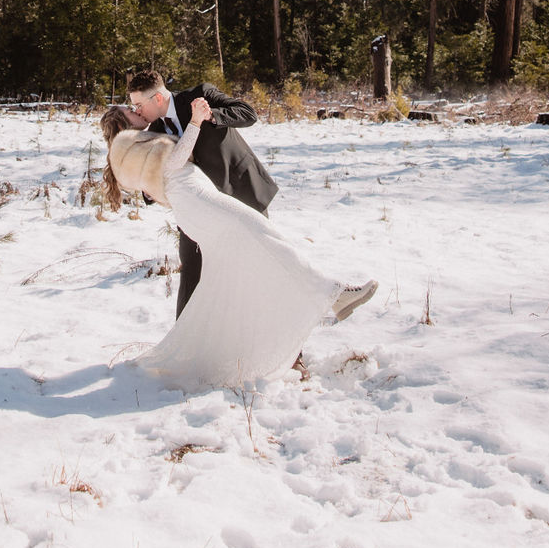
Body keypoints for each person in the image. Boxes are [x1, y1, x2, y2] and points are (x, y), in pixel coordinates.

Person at [99, 97, 377, 392]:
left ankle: (226, 351)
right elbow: (174, 163)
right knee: (269, 242)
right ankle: (334, 295)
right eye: (130, 110)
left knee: (240, 273)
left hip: (201, 202)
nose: (136, 111)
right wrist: (194, 122)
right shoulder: (127, 145)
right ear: (123, 123)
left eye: (135, 105)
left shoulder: (138, 141)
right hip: (202, 204)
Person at [126, 69, 276, 316]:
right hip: (197, 209)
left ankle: (290, 350)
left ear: (158, 99)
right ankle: (185, 347)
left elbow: (248, 114)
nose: (137, 111)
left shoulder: (200, 94)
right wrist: (149, 190)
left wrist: (210, 116)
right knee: (191, 275)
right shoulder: (153, 132)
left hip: (239, 191)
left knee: (261, 267)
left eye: (139, 104)